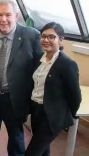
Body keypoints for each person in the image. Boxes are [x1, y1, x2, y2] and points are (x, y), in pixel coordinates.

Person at [0, 0, 43, 156]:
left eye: (8, 15)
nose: (3, 19)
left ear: (16, 16)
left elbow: (40, 67)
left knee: (16, 138)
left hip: (15, 97)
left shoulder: (31, 35)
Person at [25, 22, 82, 156]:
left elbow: (75, 96)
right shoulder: (39, 59)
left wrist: (65, 116)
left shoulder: (67, 64)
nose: (46, 40)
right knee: (44, 150)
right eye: (43, 36)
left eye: (51, 37)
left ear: (61, 39)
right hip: (36, 111)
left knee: (32, 152)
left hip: (52, 116)